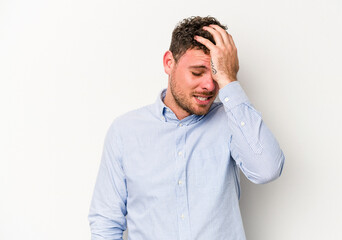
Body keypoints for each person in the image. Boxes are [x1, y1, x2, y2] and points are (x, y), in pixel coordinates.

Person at [88, 16, 285, 240]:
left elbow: (267, 169)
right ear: (169, 63)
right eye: (197, 72)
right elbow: (106, 222)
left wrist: (229, 81)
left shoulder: (232, 120)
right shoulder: (125, 131)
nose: (209, 86)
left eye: (215, 75)